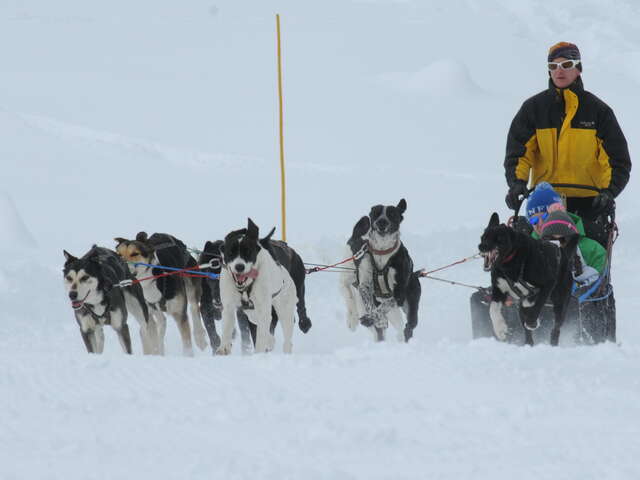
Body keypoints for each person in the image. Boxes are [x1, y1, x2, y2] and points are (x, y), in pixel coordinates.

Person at [504, 42, 631, 241]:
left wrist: (609, 191)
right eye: (553, 66)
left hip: (589, 203)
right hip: (543, 201)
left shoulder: (598, 112)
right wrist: (517, 184)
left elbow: (617, 160)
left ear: (578, 68)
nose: (559, 71)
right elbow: (519, 153)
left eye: (566, 64)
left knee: (586, 257)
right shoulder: (533, 109)